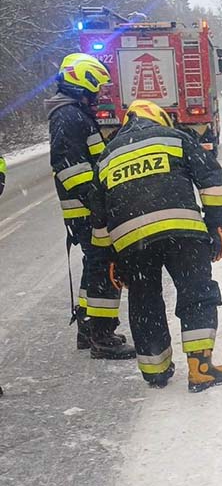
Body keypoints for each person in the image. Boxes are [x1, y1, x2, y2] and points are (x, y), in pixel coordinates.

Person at [89, 100, 222, 392]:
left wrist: (109, 258)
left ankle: (155, 370)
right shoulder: (175, 138)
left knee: (144, 302)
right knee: (196, 293)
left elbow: (99, 216)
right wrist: (215, 224)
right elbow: (210, 180)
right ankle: (200, 368)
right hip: (183, 233)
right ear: (158, 118)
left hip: (132, 243)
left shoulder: (106, 156)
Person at [47, 53, 135, 359]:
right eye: (95, 87)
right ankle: (102, 336)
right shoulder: (69, 116)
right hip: (87, 210)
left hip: (85, 209)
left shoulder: (73, 114)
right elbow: (70, 167)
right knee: (103, 268)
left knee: (94, 265)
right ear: (81, 83)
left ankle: (88, 329)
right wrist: (98, 203)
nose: (98, 94)